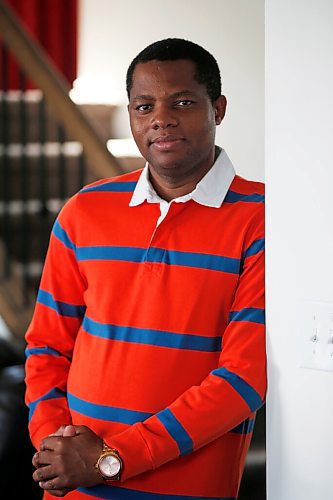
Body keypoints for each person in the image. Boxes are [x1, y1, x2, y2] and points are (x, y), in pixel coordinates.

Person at [26, 38, 266, 499]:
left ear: (218, 108)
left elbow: (243, 378)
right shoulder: (84, 211)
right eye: (144, 105)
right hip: (74, 488)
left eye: (182, 102)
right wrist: (56, 447)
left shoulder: (262, 217)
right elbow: (47, 347)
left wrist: (112, 460)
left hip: (189, 489)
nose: (161, 118)